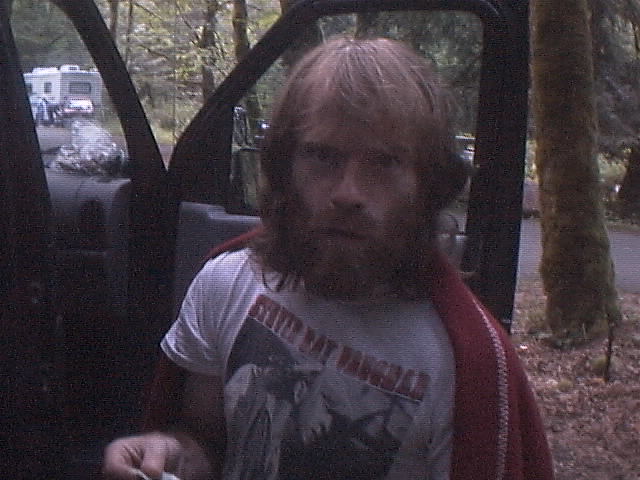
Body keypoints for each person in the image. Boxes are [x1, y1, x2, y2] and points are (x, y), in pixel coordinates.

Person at [103, 37, 554, 480]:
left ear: (427, 185)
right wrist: (170, 455)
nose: (347, 193)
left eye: (384, 162)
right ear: (284, 167)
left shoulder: (464, 366)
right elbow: (206, 441)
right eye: (322, 156)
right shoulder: (228, 282)